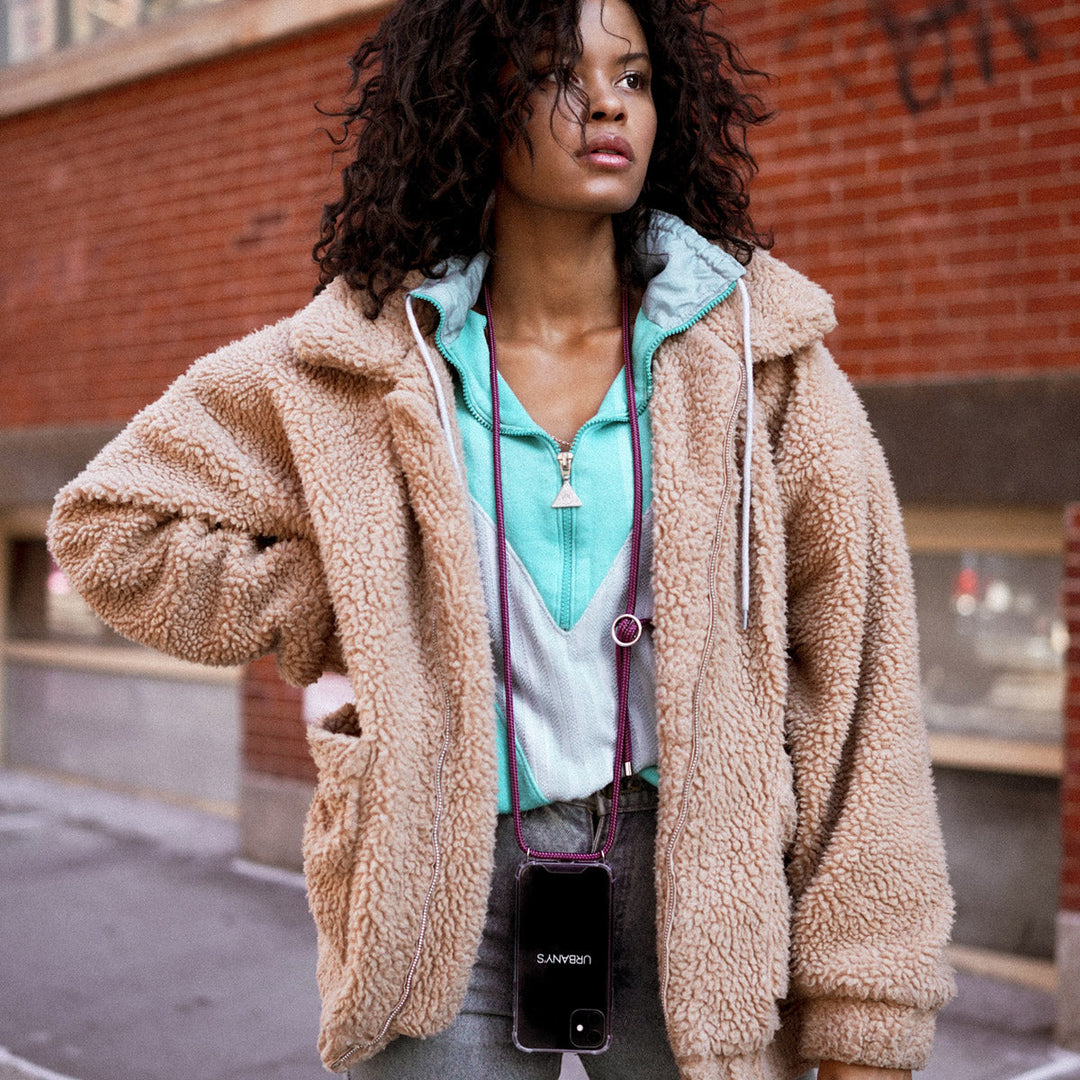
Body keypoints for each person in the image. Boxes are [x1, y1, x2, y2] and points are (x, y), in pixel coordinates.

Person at [46, 0, 955, 1077]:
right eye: (556, 73)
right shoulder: (365, 360)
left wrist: (871, 1006)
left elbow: (860, 685)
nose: (608, 100)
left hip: (696, 886)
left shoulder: (759, 360)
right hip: (444, 877)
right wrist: (361, 607)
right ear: (472, 102)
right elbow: (109, 528)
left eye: (636, 75)